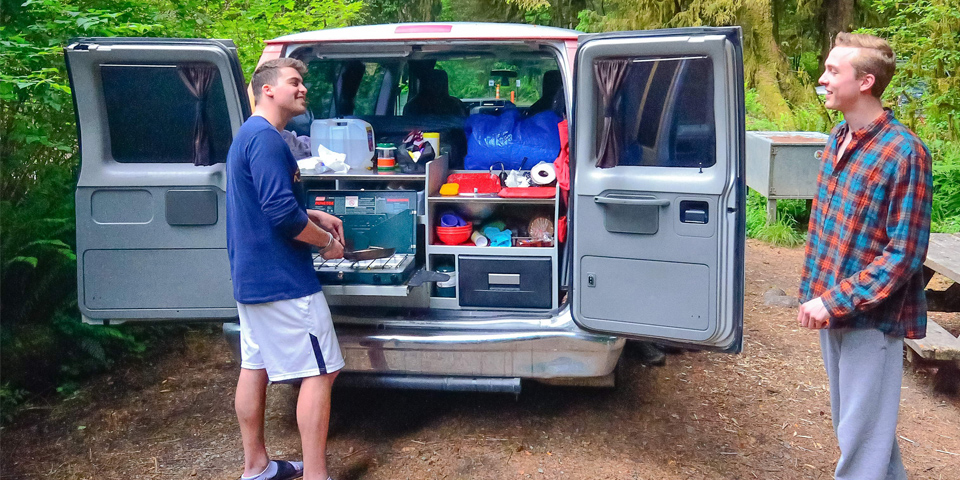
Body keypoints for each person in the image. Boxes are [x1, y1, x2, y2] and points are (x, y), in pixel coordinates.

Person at [797, 32, 932, 480]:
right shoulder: (840, 136)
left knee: (859, 437)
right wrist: (819, 295)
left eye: (834, 71)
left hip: (872, 318)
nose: (823, 78)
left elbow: (905, 254)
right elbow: (832, 228)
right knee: (864, 432)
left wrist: (833, 301)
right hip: (834, 307)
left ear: (867, 82)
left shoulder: (904, 153)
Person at [226, 57, 346, 480]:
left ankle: (256, 466)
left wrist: (313, 214)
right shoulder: (267, 139)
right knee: (321, 370)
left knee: (254, 366)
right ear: (267, 89)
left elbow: (269, 201)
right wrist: (327, 242)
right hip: (283, 280)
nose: (302, 89)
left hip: (252, 278)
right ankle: (316, 475)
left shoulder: (252, 135)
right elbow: (280, 215)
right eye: (294, 82)